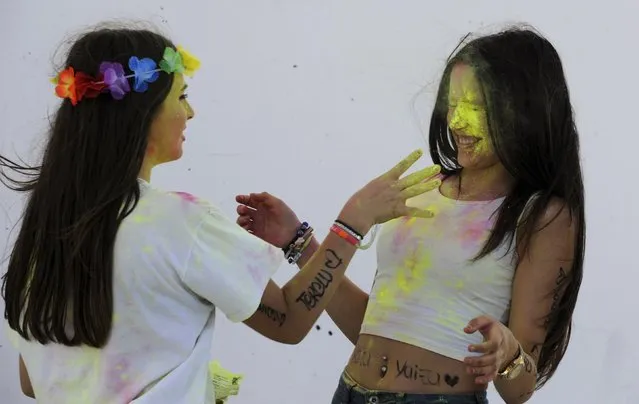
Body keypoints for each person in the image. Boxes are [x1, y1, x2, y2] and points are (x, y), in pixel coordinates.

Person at [0, 24, 443, 403]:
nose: (190, 112)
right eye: (181, 95)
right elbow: (289, 321)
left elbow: (34, 380)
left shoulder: (46, 232)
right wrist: (353, 223)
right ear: (143, 113)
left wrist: (182, 376)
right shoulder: (178, 221)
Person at [236, 27, 585, 404]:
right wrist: (300, 243)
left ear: (526, 111)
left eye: (479, 106)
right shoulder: (422, 187)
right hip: (349, 393)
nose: (458, 122)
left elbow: (520, 389)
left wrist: (508, 354)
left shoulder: (544, 217)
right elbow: (378, 325)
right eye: (454, 103)